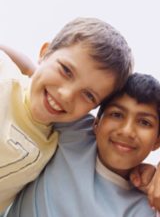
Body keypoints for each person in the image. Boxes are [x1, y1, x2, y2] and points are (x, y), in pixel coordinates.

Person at [0, 17, 133, 212]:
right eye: (66, 71)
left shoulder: (60, 139)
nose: (66, 95)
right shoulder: (5, 77)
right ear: (44, 53)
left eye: (88, 95)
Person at [3, 73, 160, 217]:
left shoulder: (145, 208)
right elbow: (37, 75)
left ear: (158, 139)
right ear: (96, 123)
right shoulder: (77, 131)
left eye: (144, 122)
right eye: (116, 114)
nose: (127, 131)